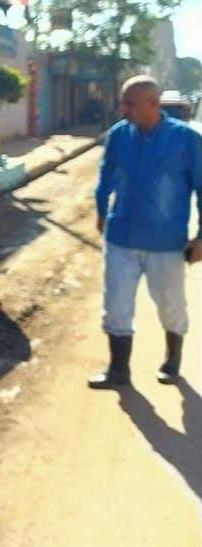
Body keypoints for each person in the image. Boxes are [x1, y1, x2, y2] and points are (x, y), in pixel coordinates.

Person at [90, 75, 202, 389]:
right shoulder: (119, 135)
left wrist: (201, 237)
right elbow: (105, 176)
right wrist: (101, 211)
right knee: (116, 305)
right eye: (123, 102)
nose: (123, 109)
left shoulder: (185, 139)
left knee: (170, 304)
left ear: (153, 104)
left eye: (130, 103)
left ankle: (172, 360)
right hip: (121, 238)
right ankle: (118, 371)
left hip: (166, 242)